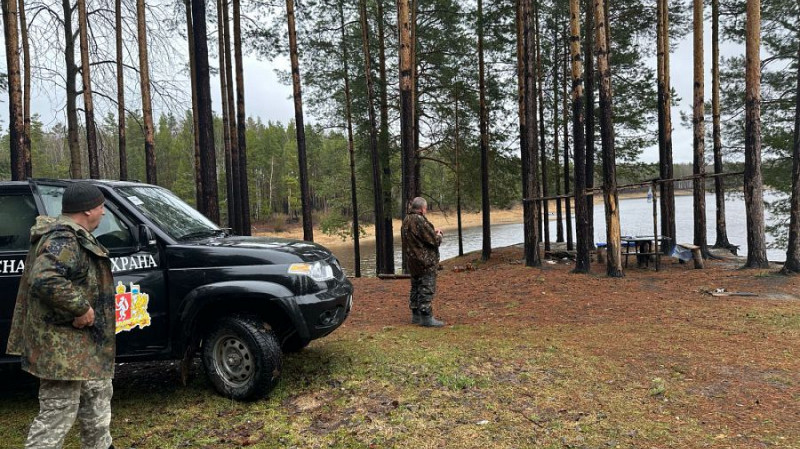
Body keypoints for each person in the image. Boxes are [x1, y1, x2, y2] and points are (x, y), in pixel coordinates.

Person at [7, 182, 116, 449]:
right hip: (63, 352)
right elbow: (45, 278)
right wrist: (81, 308)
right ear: (89, 210)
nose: (103, 212)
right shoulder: (62, 238)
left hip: (85, 348)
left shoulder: (73, 235)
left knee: (97, 409)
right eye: (101, 207)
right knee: (57, 416)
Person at [401, 197, 445, 327]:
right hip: (425, 260)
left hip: (412, 260)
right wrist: (439, 234)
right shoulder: (419, 220)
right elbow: (434, 240)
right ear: (422, 209)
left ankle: (416, 315)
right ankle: (426, 317)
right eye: (425, 208)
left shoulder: (406, 220)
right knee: (426, 287)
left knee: (415, 287)